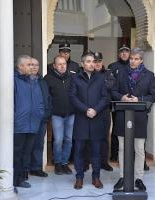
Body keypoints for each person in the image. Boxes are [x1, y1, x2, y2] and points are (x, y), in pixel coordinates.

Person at [112, 47, 155, 191]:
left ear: (141, 60)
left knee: (139, 149)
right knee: (122, 148)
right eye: (131, 58)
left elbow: (154, 95)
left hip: (139, 116)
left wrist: (140, 99)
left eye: (136, 59)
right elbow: (113, 90)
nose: (133, 61)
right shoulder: (121, 73)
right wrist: (122, 97)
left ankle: (139, 178)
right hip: (122, 115)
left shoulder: (149, 75)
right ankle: (122, 176)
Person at [69, 52, 110, 190]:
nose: (92, 64)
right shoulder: (75, 78)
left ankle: (96, 178)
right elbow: (73, 97)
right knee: (79, 151)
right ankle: (79, 178)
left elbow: (105, 97)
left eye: (93, 61)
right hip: (81, 119)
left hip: (96, 119)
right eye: (88, 61)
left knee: (96, 152)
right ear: (82, 64)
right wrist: (86, 110)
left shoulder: (101, 78)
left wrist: (95, 110)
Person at [13, 55, 44, 188]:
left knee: (26, 153)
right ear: (20, 66)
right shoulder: (13, 81)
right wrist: (15, 118)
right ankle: (14, 180)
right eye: (28, 65)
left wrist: (40, 114)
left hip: (33, 124)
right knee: (16, 153)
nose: (32, 67)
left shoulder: (34, 81)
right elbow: (9, 104)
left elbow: (40, 101)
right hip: (20, 125)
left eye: (32, 65)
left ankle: (21, 178)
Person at [44, 55, 75, 175]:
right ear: (54, 66)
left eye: (64, 64)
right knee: (58, 140)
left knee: (68, 140)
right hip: (57, 115)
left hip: (71, 114)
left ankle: (64, 163)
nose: (62, 66)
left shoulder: (73, 77)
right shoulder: (48, 78)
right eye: (59, 64)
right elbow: (46, 97)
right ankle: (57, 163)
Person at [26, 58, 51, 178]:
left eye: (36, 65)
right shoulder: (22, 80)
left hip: (42, 119)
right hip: (28, 119)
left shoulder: (42, 81)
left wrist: (48, 112)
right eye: (31, 65)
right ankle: (24, 170)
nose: (34, 67)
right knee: (26, 145)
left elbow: (48, 98)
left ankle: (36, 168)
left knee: (39, 144)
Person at [108, 44, 131, 162]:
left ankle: (129, 155)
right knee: (116, 130)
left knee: (131, 130)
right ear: (119, 53)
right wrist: (120, 97)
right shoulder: (112, 67)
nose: (124, 53)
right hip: (117, 102)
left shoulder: (134, 66)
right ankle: (114, 154)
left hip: (132, 104)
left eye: (126, 51)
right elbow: (110, 86)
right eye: (122, 51)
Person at [93, 51, 115, 171]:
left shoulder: (108, 73)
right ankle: (88, 161)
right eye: (95, 61)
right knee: (89, 136)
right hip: (91, 110)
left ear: (102, 62)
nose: (97, 63)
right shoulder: (87, 74)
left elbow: (110, 85)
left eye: (99, 61)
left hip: (105, 110)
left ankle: (103, 162)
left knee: (104, 137)